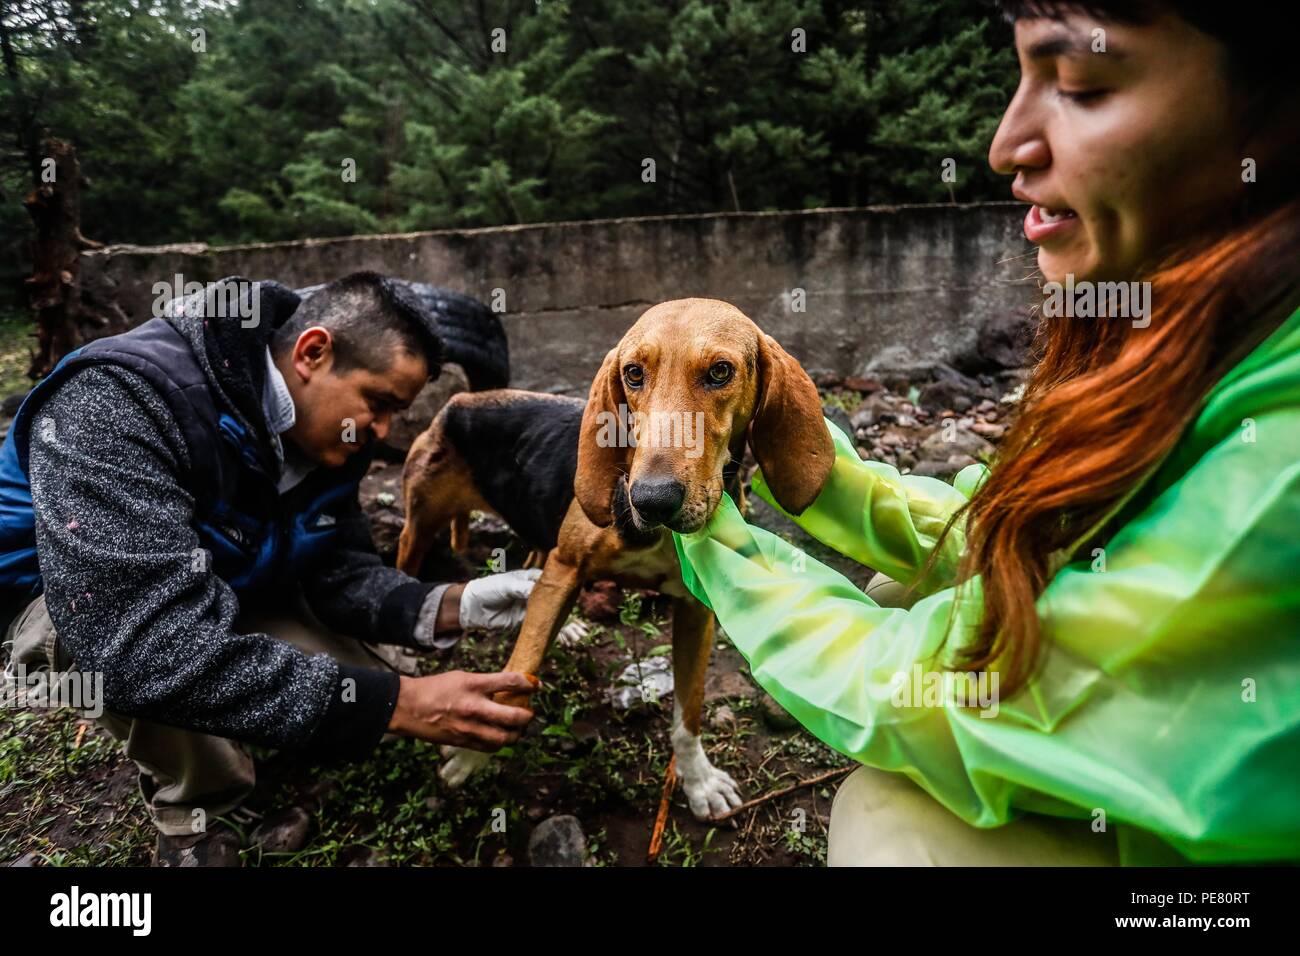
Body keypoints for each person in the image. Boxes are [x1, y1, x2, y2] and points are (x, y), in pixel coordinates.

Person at [673, 0, 1300, 865]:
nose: (1006, 144)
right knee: (910, 591)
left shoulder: (1284, 460)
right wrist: (830, 481)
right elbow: (1019, 537)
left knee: (890, 828)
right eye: (1020, 77)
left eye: (1077, 83)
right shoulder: (1204, 328)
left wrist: (717, 549)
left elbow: (952, 694)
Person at [0, 272, 539, 866]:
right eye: (380, 403)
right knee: (128, 645)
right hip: (66, 597)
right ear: (312, 352)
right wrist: (401, 703)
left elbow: (336, 566)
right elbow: (138, 645)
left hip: (210, 578)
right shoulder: (119, 398)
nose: (385, 432)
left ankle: (265, 717)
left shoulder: (323, 431)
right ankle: (196, 814)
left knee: (353, 685)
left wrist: (454, 602)